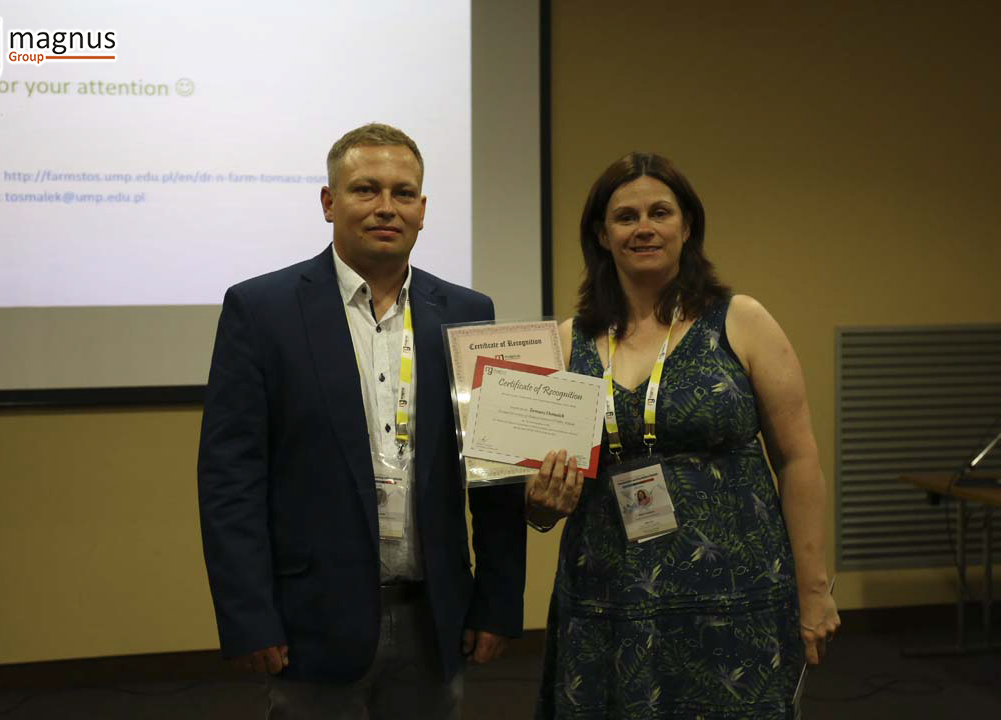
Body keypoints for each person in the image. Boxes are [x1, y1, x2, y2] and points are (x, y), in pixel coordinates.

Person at [197, 123, 526, 719]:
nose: (386, 207)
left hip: (435, 617)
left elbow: (494, 476)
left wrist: (498, 602)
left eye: (403, 193)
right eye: (365, 189)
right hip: (310, 620)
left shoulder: (468, 313)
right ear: (329, 202)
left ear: (422, 209)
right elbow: (230, 480)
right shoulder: (261, 310)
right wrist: (248, 615)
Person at [526, 152, 839, 719]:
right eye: (625, 217)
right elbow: (544, 484)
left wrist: (814, 588)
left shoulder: (741, 320)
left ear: (687, 226)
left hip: (734, 598)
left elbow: (798, 459)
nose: (643, 228)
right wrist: (541, 506)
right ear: (601, 234)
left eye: (660, 212)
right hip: (609, 601)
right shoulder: (568, 340)